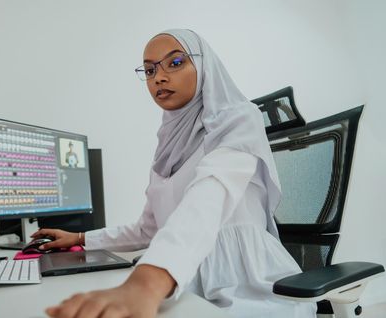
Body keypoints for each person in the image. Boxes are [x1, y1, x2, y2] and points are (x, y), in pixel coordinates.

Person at [32, 29, 317, 318]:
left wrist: (146, 283)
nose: (159, 77)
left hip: (246, 287)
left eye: (176, 62)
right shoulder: (168, 148)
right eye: (149, 69)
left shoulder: (239, 119)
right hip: (186, 281)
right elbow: (148, 230)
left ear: (204, 66)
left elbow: (209, 197)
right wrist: (80, 237)